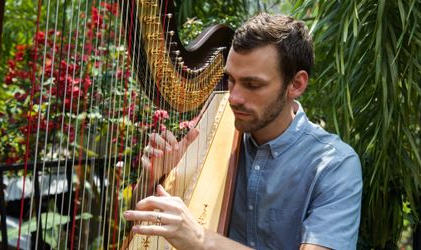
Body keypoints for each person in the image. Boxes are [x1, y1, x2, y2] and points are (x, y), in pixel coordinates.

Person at [123, 13, 363, 250]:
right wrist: (152, 178)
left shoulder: (334, 165)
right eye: (230, 79)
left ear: (296, 84)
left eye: (252, 85)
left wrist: (201, 239)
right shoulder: (210, 141)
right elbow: (141, 221)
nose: (234, 97)